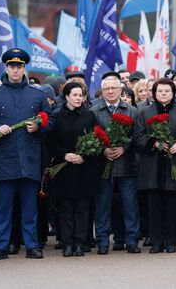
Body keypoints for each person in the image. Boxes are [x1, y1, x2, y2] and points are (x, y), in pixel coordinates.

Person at [0, 48, 54, 260]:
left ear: (24, 68)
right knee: (4, 207)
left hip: (29, 158)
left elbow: (51, 120)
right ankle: (1, 246)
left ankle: (31, 245)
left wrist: (38, 127)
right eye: (12, 66)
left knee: (30, 207)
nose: (15, 70)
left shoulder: (37, 95)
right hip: (5, 158)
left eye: (19, 66)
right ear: (6, 68)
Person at [134, 78, 176, 253]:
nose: (163, 94)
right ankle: (156, 242)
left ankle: (170, 242)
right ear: (154, 93)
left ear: (172, 93)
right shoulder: (145, 112)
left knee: (173, 206)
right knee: (153, 207)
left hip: (174, 165)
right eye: (160, 91)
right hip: (152, 166)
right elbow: (137, 136)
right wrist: (153, 143)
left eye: (167, 91)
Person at [90, 72, 140, 254]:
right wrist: (103, 149)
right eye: (106, 89)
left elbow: (137, 137)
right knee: (102, 206)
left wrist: (124, 148)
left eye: (113, 88)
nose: (110, 91)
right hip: (103, 165)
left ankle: (132, 240)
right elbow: (91, 136)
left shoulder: (132, 111)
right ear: (102, 91)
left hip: (126, 166)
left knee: (130, 205)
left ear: (120, 89)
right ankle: (102, 241)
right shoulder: (93, 111)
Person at [48, 82, 99, 257]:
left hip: (85, 168)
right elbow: (51, 143)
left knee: (83, 208)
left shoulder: (89, 116)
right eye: (75, 95)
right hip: (64, 169)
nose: (78, 98)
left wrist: (85, 155)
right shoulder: (56, 116)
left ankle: (80, 243)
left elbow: (96, 140)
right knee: (66, 208)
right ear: (67, 96)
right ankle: (67, 243)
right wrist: (65, 155)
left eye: (81, 95)